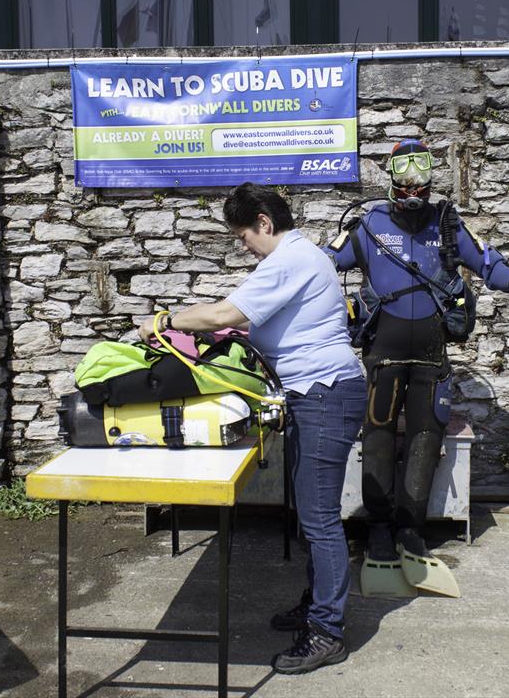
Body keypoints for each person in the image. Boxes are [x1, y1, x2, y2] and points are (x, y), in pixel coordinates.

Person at [138, 182, 367, 675]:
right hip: (320, 394)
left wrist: (162, 320)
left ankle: (328, 631)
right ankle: (316, 608)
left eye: (244, 235)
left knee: (321, 520)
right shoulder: (302, 258)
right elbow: (250, 322)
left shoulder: (290, 260)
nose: (243, 245)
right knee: (311, 514)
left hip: (325, 394)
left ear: (264, 221)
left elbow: (227, 311)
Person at [325, 139, 509, 594]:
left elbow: (487, 263)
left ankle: (411, 528)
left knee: (427, 436)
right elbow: (317, 266)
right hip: (383, 353)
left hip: (432, 352)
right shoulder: (368, 226)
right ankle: (379, 528)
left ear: (432, 176)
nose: (412, 181)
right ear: (389, 174)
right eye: (403, 171)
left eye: (421, 171)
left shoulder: (447, 225)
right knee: (377, 436)